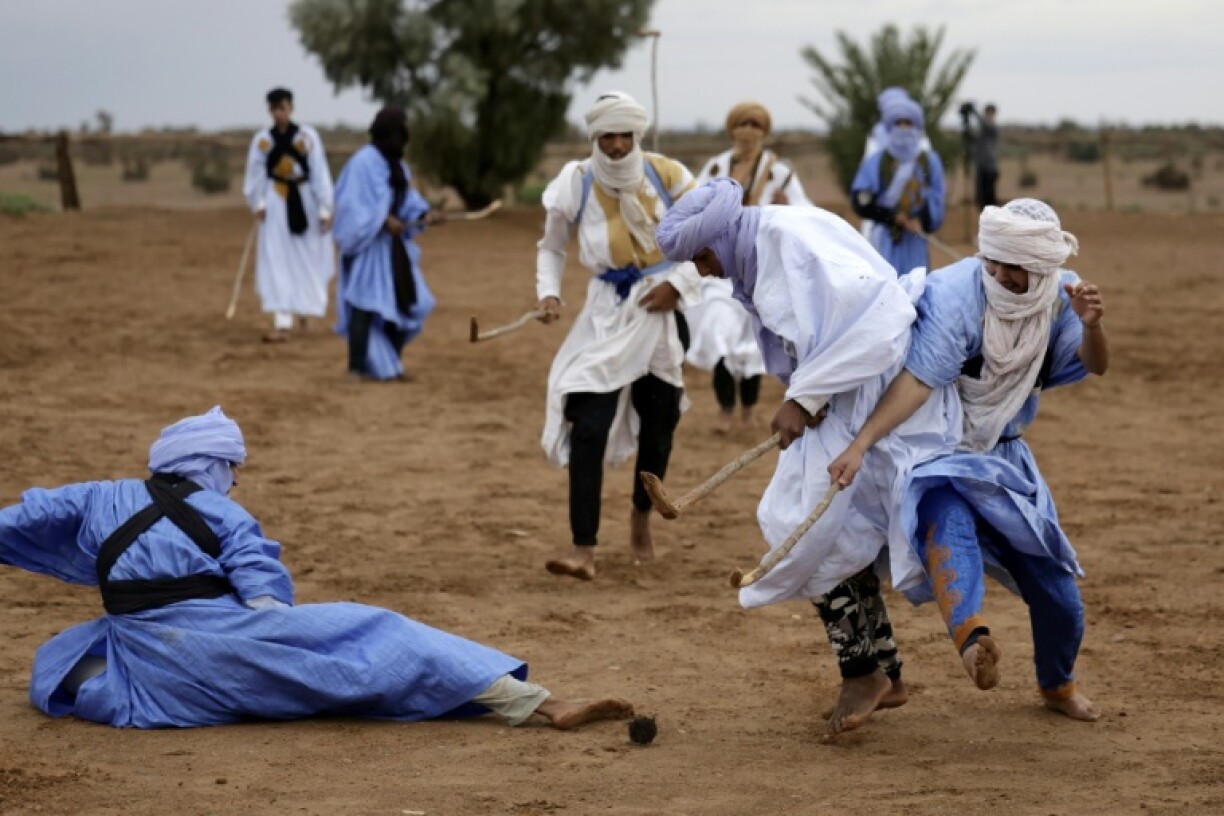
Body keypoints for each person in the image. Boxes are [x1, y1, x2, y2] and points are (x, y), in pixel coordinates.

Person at [0, 407, 634, 731]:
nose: (237, 477)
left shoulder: (90, 498)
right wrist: (284, 632)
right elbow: (266, 593)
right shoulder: (226, 517)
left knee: (62, 664)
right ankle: (538, 703)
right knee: (371, 635)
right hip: (213, 655)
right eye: (232, 466)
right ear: (209, 466)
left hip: (141, 665)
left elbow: (17, 520)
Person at [656, 179, 960, 736]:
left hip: (875, 401)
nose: (702, 271)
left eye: (702, 256)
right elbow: (819, 335)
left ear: (722, 236)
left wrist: (806, 396)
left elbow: (878, 320)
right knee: (841, 536)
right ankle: (885, 672)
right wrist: (807, 391)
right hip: (847, 398)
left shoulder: (782, 246)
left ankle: (861, 672)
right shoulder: (765, 241)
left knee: (799, 526)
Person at [829, 199, 1109, 722]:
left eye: (1014, 267)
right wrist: (861, 442)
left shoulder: (1063, 298)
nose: (1000, 274)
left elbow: (1095, 365)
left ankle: (1058, 685)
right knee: (946, 531)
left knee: (1058, 592)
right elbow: (918, 381)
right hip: (939, 452)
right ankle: (971, 640)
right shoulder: (958, 292)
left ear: (1044, 267)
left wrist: (1092, 326)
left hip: (1006, 457)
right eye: (993, 261)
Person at [535, 91, 701, 580]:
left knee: (659, 424)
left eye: (622, 134)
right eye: (605, 135)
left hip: (661, 310)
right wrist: (548, 292)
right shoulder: (575, 182)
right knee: (588, 426)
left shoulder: (669, 175)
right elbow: (550, 248)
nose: (614, 144)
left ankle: (640, 515)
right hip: (604, 314)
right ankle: (582, 549)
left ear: (636, 135)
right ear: (594, 137)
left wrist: (677, 284)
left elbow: (708, 235)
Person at [689, 102, 812, 432]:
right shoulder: (716, 168)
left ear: (765, 132)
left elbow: (805, 213)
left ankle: (748, 410)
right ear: (732, 129)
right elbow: (693, 203)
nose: (749, 131)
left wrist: (787, 209)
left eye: (756, 125)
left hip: (761, 269)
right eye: (742, 123)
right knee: (719, 334)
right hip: (719, 267)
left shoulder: (780, 173)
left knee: (753, 342)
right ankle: (725, 409)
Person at [332, 108, 443, 381]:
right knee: (364, 304)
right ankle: (355, 368)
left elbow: (407, 203)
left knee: (405, 303)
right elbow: (350, 206)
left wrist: (425, 215)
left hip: (393, 250)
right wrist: (382, 221)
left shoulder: (397, 166)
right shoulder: (363, 163)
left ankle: (391, 365)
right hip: (368, 248)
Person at [242, 87, 336, 342]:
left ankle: (304, 311)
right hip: (276, 200)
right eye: (274, 109)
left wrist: (325, 208)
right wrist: (258, 203)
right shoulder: (263, 141)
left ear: (291, 108)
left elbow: (320, 173)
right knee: (277, 259)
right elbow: (255, 174)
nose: (278, 114)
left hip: (304, 199)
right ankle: (282, 321)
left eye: (282, 108)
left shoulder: (307, 137)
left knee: (306, 257)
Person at [851, 95, 945, 276]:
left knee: (917, 290)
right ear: (890, 126)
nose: (903, 127)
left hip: (916, 239)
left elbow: (937, 199)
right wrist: (892, 217)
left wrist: (922, 221)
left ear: (916, 126)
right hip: (886, 239)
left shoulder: (929, 161)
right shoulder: (877, 161)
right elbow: (860, 201)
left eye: (908, 122)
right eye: (898, 122)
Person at [859, 88, 933, 239]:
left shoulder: (921, 142)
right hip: (881, 220)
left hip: (913, 222)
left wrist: (922, 218)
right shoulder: (876, 137)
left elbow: (929, 181)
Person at [963, 102, 1000, 209]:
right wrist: (967, 127)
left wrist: (973, 111)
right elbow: (973, 141)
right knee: (981, 197)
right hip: (981, 167)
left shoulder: (993, 128)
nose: (987, 116)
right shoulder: (982, 132)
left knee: (990, 197)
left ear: (993, 114)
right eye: (986, 113)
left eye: (990, 113)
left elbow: (984, 123)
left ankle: (993, 219)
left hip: (990, 168)